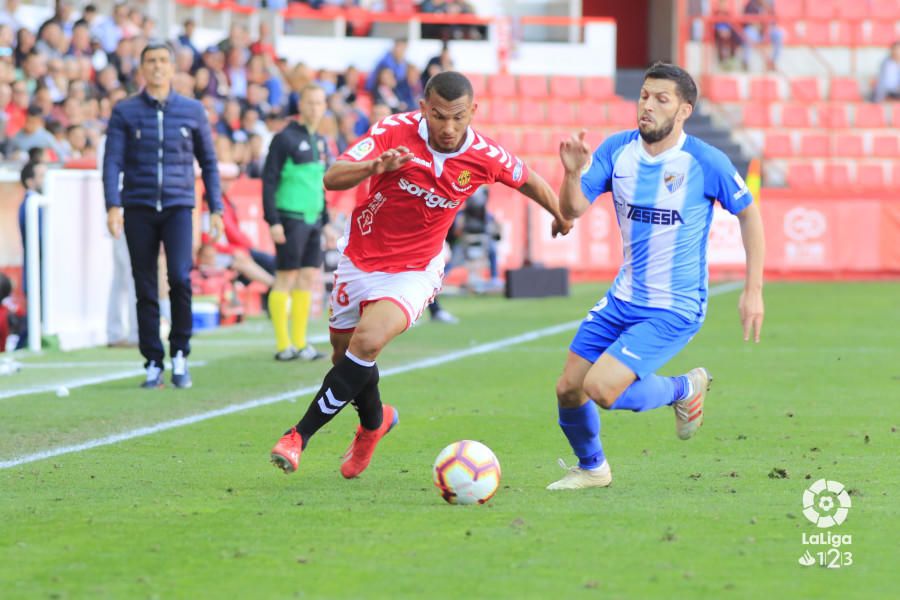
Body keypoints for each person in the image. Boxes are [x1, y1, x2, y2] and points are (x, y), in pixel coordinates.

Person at [269, 71, 573, 478]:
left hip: (416, 269)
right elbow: (333, 175)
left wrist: (559, 214)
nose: (449, 128)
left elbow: (528, 179)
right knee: (346, 360)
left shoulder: (484, 154)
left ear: (473, 113)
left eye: (459, 118)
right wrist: (374, 166)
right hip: (360, 258)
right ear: (424, 108)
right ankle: (374, 425)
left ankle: (298, 436)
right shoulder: (392, 131)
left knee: (368, 340)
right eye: (440, 117)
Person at [546, 63, 766, 490]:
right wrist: (572, 172)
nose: (647, 105)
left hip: (674, 307)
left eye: (660, 99)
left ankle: (684, 388)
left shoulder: (704, 161)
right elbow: (571, 209)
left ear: (684, 110)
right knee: (569, 389)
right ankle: (593, 468)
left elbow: (749, 215)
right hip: (623, 297)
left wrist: (752, 290)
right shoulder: (616, 150)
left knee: (603, 389)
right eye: (644, 96)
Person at [103, 40, 223, 389]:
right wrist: (113, 204)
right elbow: (112, 161)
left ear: (172, 68)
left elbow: (210, 163)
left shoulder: (192, 110)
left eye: (162, 61)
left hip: (178, 205)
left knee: (180, 278)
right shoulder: (125, 111)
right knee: (144, 285)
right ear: (142, 68)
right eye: (150, 61)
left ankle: (180, 353)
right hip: (138, 206)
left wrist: (215, 207)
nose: (156, 66)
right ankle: (153, 361)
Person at [262, 84, 334, 362]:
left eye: (320, 102)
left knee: (307, 278)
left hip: (313, 220)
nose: (315, 107)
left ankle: (301, 342)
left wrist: (325, 220)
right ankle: (284, 345)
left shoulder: (322, 141)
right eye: (310, 102)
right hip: (290, 218)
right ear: (300, 105)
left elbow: (320, 184)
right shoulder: (284, 139)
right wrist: (273, 220)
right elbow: (269, 181)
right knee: (286, 278)